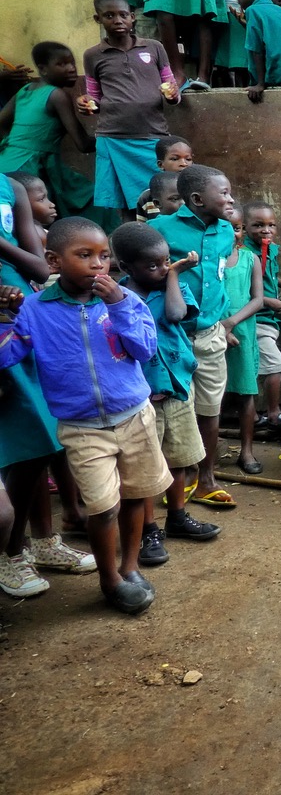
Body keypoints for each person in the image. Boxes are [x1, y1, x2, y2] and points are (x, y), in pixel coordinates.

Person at [0, 217, 168, 614]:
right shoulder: (35, 309)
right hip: (82, 427)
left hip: (135, 417)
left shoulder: (127, 301)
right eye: (85, 255)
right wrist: (5, 319)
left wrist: (119, 306)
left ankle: (129, 568)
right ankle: (109, 579)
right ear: (54, 261)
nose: (98, 264)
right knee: (103, 507)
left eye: (104, 256)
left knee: (135, 496)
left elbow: (145, 349)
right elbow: (8, 354)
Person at [0, 177, 94, 600]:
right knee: (23, 442)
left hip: (20, 318)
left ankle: (42, 541)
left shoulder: (10, 188)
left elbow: (40, 267)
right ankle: (11, 551)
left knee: (42, 439)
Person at [112, 222, 220, 567]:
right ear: (127, 267)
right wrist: (171, 272)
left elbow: (176, 314)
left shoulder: (174, 287)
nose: (162, 269)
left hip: (177, 390)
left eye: (166, 262)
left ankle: (177, 516)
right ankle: (149, 530)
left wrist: (172, 275)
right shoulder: (116, 298)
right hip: (141, 398)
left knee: (178, 459)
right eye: (152, 265)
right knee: (146, 470)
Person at [149, 164, 237, 508]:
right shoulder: (160, 230)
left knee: (210, 409)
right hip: (172, 336)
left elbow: (218, 276)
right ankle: (178, 479)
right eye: (224, 193)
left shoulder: (226, 230)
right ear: (198, 199)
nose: (231, 199)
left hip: (210, 334)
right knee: (174, 411)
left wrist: (223, 321)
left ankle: (207, 478)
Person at [79, 0, 181, 220]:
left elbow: (171, 87)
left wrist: (173, 95)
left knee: (159, 196)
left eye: (123, 15)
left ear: (132, 17)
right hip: (113, 137)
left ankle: (157, 238)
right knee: (123, 201)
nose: (118, 20)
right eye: (109, 16)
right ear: (98, 19)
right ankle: (129, 237)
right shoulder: (93, 55)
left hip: (152, 135)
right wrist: (87, 104)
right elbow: (94, 97)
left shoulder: (154, 48)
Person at [0, 42, 109, 228]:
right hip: (30, 167)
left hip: (7, 161)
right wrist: (113, 138)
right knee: (92, 199)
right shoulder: (57, 95)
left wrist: (15, 142)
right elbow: (82, 144)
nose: (71, 68)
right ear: (42, 69)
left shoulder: (25, 91)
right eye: (62, 64)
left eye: (72, 63)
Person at [242, 201, 281, 432]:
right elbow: (241, 289)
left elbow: (268, 274)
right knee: (276, 365)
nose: (266, 230)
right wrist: (267, 301)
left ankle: (255, 415)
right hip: (256, 318)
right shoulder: (245, 254)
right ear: (245, 227)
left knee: (257, 367)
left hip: (268, 319)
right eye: (258, 225)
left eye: (271, 225)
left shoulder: (270, 248)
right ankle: (274, 414)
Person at [221, 208, 264, 474]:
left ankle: (246, 451)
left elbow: (257, 299)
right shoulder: (208, 259)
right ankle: (206, 451)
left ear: (243, 231)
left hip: (243, 331)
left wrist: (231, 323)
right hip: (212, 330)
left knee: (246, 392)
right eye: (225, 227)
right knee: (210, 393)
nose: (231, 233)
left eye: (236, 228)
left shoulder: (250, 258)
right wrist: (221, 328)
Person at [133, 135, 192, 221]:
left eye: (188, 159)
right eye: (175, 159)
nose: (183, 163)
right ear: (160, 164)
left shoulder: (199, 191)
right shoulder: (148, 197)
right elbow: (143, 227)